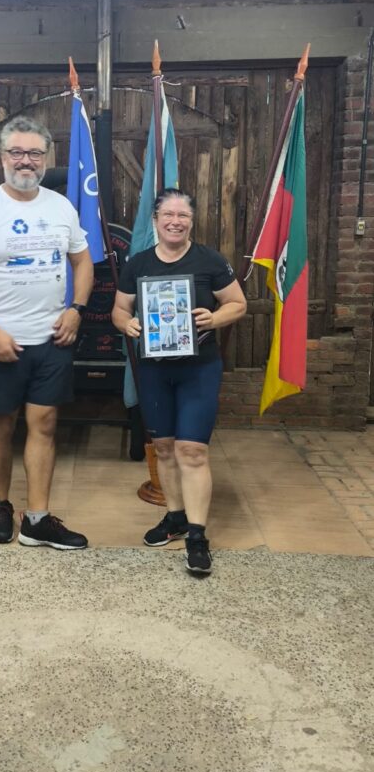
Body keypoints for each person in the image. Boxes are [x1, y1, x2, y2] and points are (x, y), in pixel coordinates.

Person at [0, 115, 94, 550]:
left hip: (52, 339)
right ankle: (1, 505)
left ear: (46, 157)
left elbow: (83, 261)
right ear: (2, 157)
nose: (25, 161)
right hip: (0, 343)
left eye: (34, 153)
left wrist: (77, 309)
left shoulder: (61, 207)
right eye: (17, 152)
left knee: (44, 424)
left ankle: (37, 520)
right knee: (0, 424)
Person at [112, 188, 247, 576]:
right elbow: (119, 309)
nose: (175, 221)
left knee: (193, 451)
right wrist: (127, 323)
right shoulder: (138, 264)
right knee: (165, 449)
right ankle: (175, 518)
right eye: (168, 215)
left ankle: (197, 536)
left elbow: (238, 304)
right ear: (155, 220)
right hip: (154, 369)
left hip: (199, 369)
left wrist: (214, 318)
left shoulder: (210, 260)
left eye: (183, 215)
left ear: (191, 220)